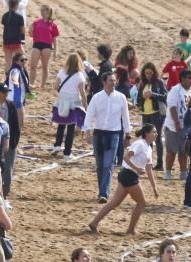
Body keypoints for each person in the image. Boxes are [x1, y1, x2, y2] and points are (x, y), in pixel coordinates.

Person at [87, 123, 160, 233]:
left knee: (114, 203)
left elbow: (149, 169)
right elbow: (126, 157)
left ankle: (94, 222)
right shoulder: (140, 144)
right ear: (146, 133)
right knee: (141, 203)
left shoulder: (148, 148)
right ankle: (131, 229)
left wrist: (154, 187)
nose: (156, 134)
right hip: (129, 175)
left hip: (128, 175)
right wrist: (137, 169)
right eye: (154, 132)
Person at [83, 71, 131, 204]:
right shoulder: (97, 97)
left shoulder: (121, 97)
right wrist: (87, 131)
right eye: (111, 80)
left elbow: (125, 117)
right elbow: (90, 115)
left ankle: (104, 193)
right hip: (99, 133)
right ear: (104, 82)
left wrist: (127, 134)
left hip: (114, 134)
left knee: (108, 164)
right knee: (99, 165)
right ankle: (102, 189)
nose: (113, 83)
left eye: (114, 80)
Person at [52, 52, 89, 159]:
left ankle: (57, 146)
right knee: (71, 128)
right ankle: (67, 153)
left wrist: (63, 91)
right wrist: (85, 105)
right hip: (74, 103)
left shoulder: (61, 72)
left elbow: (55, 86)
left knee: (61, 124)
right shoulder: (80, 76)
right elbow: (82, 92)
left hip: (62, 101)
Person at [162, 69, 191, 181]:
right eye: (190, 78)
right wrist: (176, 122)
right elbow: (172, 107)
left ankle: (183, 172)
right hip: (172, 125)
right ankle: (168, 172)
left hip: (186, 126)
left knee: (183, 150)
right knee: (171, 151)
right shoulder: (175, 90)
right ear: (183, 79)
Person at [28, 4, 58, 87]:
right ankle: (31, 84)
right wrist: (30, 30)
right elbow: (31, 34)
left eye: (43, 10)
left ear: (48, 11)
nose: (41, 12)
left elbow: (55, 39)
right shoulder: (36, 22)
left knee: (44, 66)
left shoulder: (53, 24)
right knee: (33, 66)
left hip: (47, 45)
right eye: (41, 10)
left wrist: (55, 51)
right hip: (36, 44)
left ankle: (42, 85)